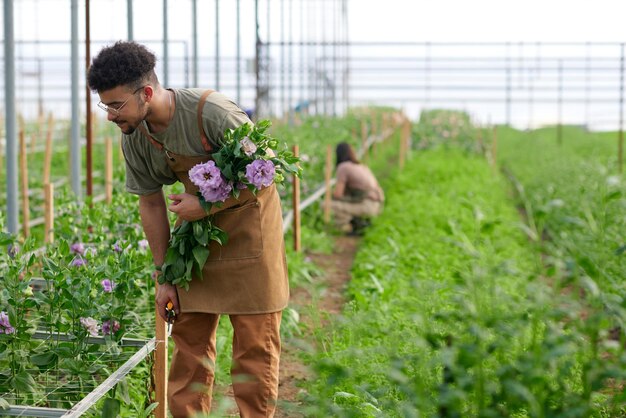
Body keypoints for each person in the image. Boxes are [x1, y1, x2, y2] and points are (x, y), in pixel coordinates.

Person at [87, 41, 288, 418]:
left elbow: (265, 172)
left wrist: (207, 203)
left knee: (254, 349)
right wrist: (165, 276)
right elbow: (150, 203)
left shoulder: (212, 113)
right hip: (196, 242)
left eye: (115, 105)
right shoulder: (135, 136)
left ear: (146, 93)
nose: (110, 116)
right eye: (105, 106)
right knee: (189, 347)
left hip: (251, 233)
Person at [331, 142, 384, 234]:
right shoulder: (360, 165)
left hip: (367, 206)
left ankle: (347, 228)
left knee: (327, 205)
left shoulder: (343, 167)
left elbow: (338, 194)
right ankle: (360, 223)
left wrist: (329, 193)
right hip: (377, 205)